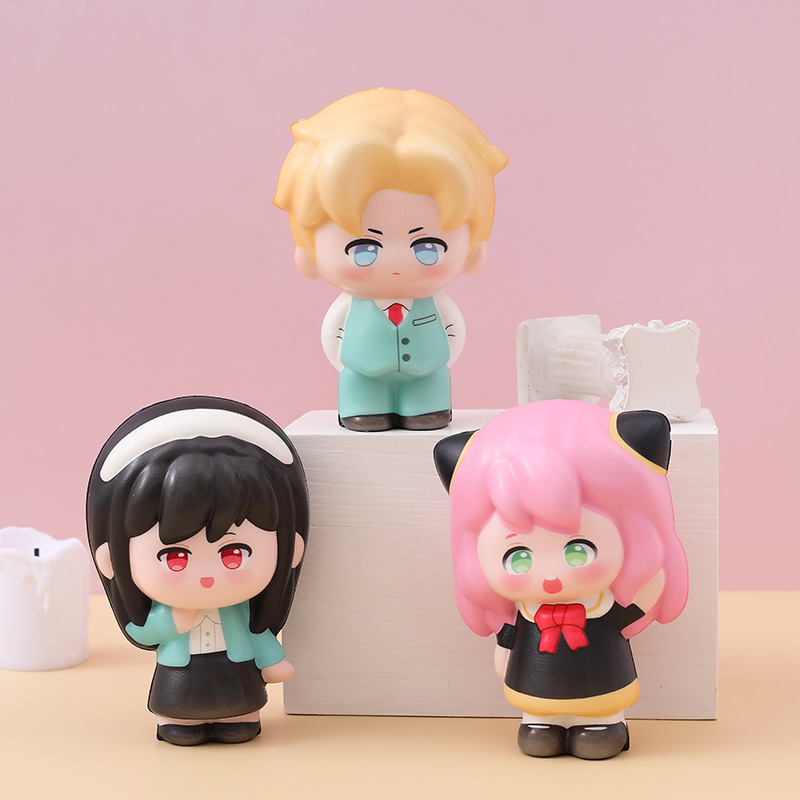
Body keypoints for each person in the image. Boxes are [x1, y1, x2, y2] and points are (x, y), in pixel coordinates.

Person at [434, 399, 688, 758]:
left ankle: (603, 724)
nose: (550, 576)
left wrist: (650, 585)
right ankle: (540, 723)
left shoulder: (601, 605)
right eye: (518, 557)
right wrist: (505, 652)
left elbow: (628, 615)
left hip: (604, 681)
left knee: (599, 727)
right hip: (533, 686)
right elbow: (507, 640)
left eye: (578, 551)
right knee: (538, 732)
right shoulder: (526, 613)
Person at [275, 88, 506, 431]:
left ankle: (426, 410)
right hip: (363, 375)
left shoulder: (434, 302)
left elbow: (453, 331)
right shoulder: (353, 306)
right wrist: (345, 362)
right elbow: (333, 333)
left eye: (427, 247)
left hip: (427, 374)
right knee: (362, 392)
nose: (396, 261)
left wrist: (441, 358)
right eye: (363, 248)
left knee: (427, 397)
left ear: (473, 249)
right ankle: (364, 410)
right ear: (308, 253)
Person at [86, 396, 308, 745]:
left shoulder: (240, 610)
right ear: (111, 558)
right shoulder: (165, 612)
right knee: (179, 709)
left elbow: (258, 632)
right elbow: (143, 632)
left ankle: (239, 718)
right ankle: (178, 721)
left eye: (233, 554)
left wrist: (272, 660)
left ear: (290, 548)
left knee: (240, 711)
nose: (207, 577)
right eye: (175, 557)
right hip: (179, 676)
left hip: (237, 673)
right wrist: (169, 623)